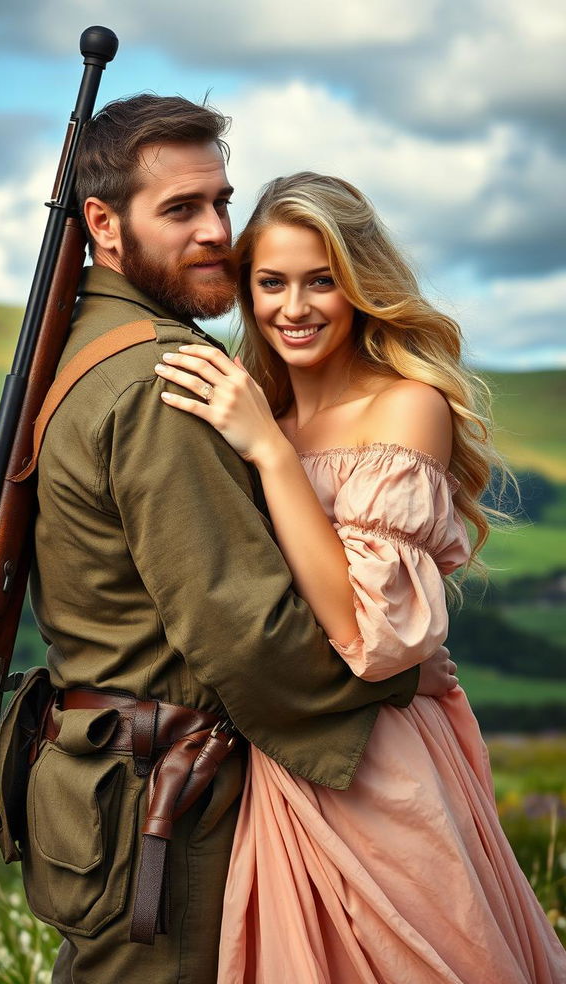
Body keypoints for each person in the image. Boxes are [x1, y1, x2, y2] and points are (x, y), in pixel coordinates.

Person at [0, 98, 456, 984]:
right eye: (180, 210)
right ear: (103, 223)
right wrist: (400, 673)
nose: (217, 234)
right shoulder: (155, 379)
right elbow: (248, 633)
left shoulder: (92, 343)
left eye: (220, 202)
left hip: (113, 787)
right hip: (166, 802)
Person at [154, 172, 566, 983]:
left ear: (360, 287)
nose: (293, 308)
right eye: (271, 283)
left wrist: (271, 455)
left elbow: (368, 637)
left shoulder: (406, 407)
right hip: (277, 754)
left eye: (322, 281)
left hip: (380, 756)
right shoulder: (254, 414)